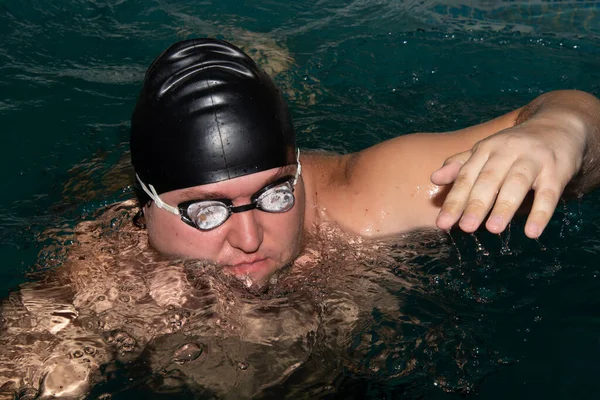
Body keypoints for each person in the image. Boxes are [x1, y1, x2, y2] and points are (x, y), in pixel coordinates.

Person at [131, 37, 600, 288]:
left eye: (275, 192)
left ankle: (280, 62)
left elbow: (571, 118)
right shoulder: (108, 278)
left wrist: (561, 132)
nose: (250, 238)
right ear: (146, 205)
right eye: (206, 211)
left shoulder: (364, 199)